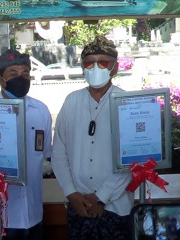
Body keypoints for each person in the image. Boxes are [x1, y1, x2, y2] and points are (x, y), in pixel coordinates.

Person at [51, 36, 134, 239]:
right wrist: (72, 193)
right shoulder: (72, 101)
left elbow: (131, 159)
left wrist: (100, 198)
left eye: (103, 62)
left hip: (116, 207)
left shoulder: (127, 103)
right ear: (82, 67)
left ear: (114, 68)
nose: (96, 68)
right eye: (90, 63)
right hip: (77, 205)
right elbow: (59, 151)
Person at [0, 49, 52, 240]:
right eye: (14, 74)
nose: (21, 78)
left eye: (25, 73)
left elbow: (45, 154)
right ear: (0, 79)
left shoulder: (40, 110)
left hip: (32, 212)